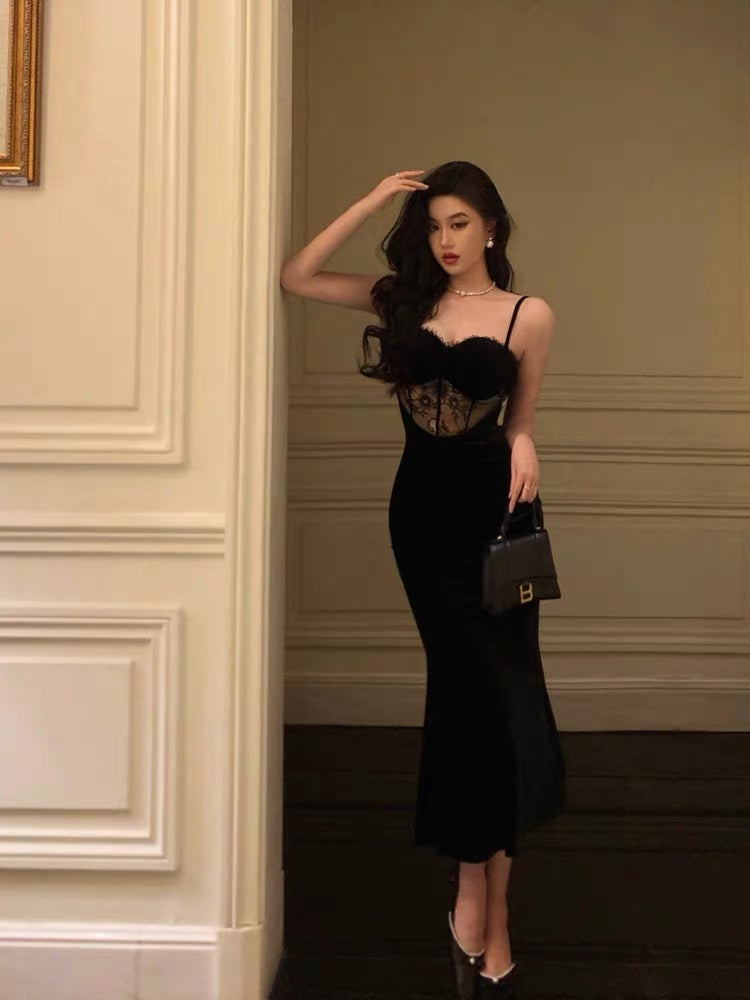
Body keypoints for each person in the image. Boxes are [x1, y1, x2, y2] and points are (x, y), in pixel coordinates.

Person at [280, 160, 566, 999]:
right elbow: (297, 277)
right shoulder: (401, 300)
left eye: (459, 224)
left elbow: (521, 418)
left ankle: (489, 903)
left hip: (496, 513)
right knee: (463, 693)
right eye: (434, 225)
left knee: (503, 698)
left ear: (491, 228)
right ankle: (475, 891)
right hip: (421, 519)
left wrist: (525, 443)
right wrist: (373, 199)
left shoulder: (526, 313)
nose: (445, 240)